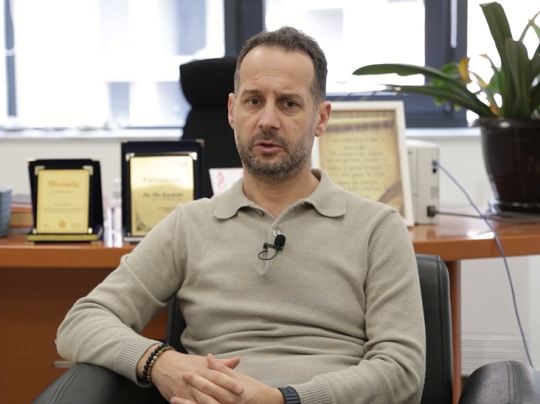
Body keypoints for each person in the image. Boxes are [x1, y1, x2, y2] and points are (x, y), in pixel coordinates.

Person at [55, 27, 425, 404]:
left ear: (321, 117)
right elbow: (81, 322)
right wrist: (159, 362)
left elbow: (402, 369)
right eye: (253, 101)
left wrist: (284, 400)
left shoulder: (378, 228)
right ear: (232, 111)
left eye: (288, 104)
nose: (267, 120)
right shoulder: (189, 225)